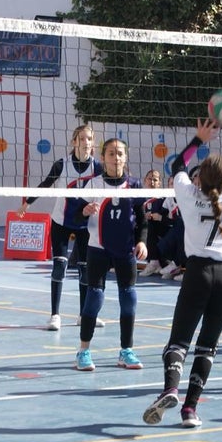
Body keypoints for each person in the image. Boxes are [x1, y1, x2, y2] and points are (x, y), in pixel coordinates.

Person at [143, 118, 222, 427]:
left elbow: (177, 165)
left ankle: (170, 389)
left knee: (178, 342)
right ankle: (190, 410)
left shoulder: (188, 195)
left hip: (196, 273)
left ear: (199, 180)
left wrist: (199, 138)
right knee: (207, 346)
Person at [73, 138, 148, 371]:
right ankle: (83, 351)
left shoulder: (134, 186)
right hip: (98, 249)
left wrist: (142, 241)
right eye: (111, 154)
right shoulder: (93, 184)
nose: (116, 158)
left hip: (125, 251)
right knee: (94, 298)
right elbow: (75, 217)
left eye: (120, 154)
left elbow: (142, 219)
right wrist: (84, 212)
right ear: (103, 157)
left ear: (126, 157)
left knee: (129, 299)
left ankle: (126, 351)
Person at [19, 124, 103, 330]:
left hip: (85, 224)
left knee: (85, 270)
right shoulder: (62, 164)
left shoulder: (98, 168)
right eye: (82, 139)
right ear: (74, 142)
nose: (86, 143)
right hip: (61, 221)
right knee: (59, 267)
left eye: (89, 139)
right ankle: (55, 315)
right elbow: (46, 184)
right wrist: (27, 202)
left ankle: (84, 315)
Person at [139, 169, 172, 277]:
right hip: (142, 229)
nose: (152, 182)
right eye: (149, 179)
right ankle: (120, 261)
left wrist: (157, 217)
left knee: (150, 224)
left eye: (155, 180)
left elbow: (169, 218)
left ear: (159, 183)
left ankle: (154, 261)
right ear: (145, 180)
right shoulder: (139, 197)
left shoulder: (163, 198)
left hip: (162, 229)